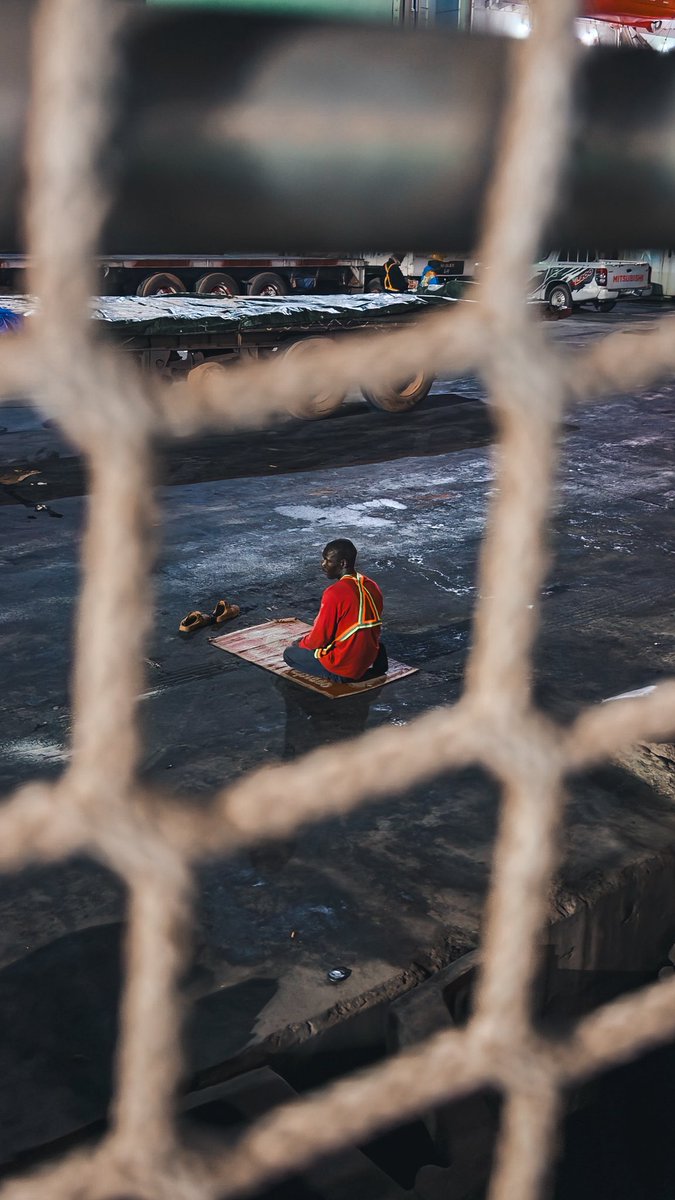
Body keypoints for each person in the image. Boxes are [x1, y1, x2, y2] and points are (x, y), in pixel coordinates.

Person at [283, 539, 388, 683]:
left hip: (345, 666)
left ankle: (340, 675)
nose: (323, 565)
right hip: (368, 654)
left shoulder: (334, 593)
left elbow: (319, 639)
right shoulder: (371, 585)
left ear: (342, 563)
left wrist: (300, 644)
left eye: (328, 561)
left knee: (290, 654)